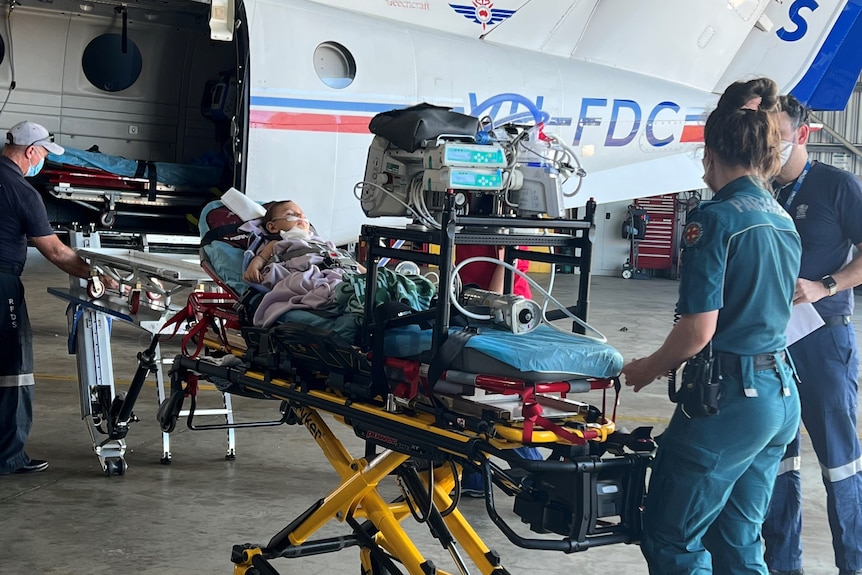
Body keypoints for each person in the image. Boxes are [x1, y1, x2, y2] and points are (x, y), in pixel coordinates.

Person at [621, 78, 802, 574]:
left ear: (709, 154)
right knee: (737, 539)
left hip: (730, 402)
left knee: (672, 536)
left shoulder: (715, 220)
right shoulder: (780, 217)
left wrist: (648, 368)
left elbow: (698, 330)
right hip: (779, 395)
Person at [762, 95, 862, 575]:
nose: (771, 147)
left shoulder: (836, 186)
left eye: (778, 138)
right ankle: (783, 565)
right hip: (769, 343)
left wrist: (826, 285)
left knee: (839, 461)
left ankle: (853, 563)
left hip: (823, 339)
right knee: (779, 460)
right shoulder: (758, 191)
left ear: (802, 134)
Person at [0, 121, 111, 476]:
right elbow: (57, 253)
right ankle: (9, 457)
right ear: (31, 152)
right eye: (44, 154)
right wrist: (93, 274)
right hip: (2, 285)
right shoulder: (21, 191)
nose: (44, 161)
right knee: (13, 369)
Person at [454, 241, 543, 497]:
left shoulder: (501, 213)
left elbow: (507, 263)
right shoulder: (467, 210)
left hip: (502, 307)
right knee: (466, 393)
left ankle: (534, 469)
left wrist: (489, 309)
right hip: (473, 301)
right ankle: (475, 476)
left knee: (488, 396)